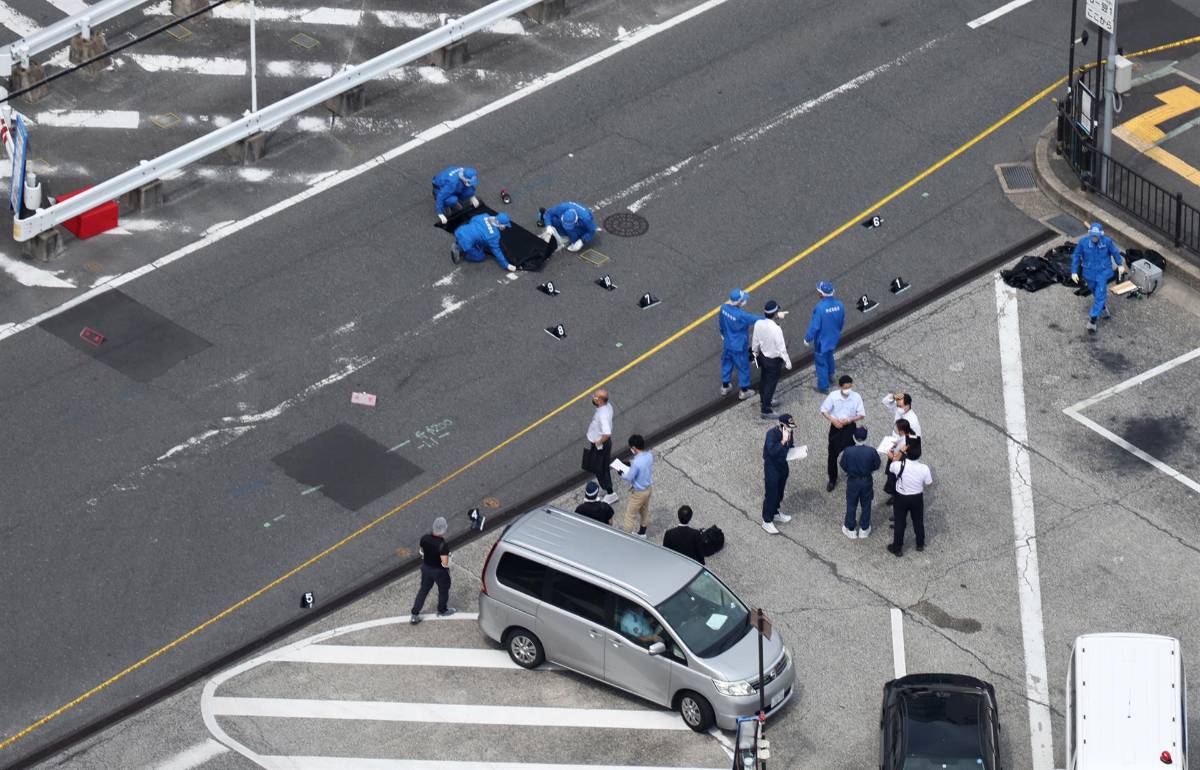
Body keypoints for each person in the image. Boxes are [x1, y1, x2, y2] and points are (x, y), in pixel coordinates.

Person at [1071, 222, 1127, 334]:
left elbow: (1115, 253)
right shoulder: (1083, 242)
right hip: (1089, 273)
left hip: (1102, 273)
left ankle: (1092, 321)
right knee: (1094, 291)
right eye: (1093, 235)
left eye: (1096, 236)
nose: (1094, 238)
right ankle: (1102, 308)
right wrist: (1074, 272)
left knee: (1100, 294)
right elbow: (1076, 256)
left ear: (1101, 234)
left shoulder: (1107, 242)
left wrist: (1120, 264)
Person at [821, 375, 865, 492]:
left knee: (851, 453)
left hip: (849, 427)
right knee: (832, 455)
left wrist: (849, 420)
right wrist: (833, 421)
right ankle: (832, 479)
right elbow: (824, 410)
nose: (848, 390)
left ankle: (852, 473)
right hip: (836, 428)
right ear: (840, 387)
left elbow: (861, 414)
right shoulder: (833, 396)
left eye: (850, 387)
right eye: (846, 388)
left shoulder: (856, 397)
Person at [719, 289, 765, 400]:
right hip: (739, 346)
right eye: (743, 300)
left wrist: (722, 334)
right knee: (743, 367)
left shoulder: (723, 308)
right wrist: (771, 318)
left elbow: (721, 324)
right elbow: (756, 319)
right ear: (739, 302)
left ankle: (725, 386)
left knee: (727, 363)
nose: (745, 301)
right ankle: (744, 391)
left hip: (727, 343)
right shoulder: (740, 315)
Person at [410, 516, 455, 624]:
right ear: (443, 529)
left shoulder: (424, 538)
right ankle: (442, 610)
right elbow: (445, 563)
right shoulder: (442, 544)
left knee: (423, 590)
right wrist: (450, 558)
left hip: (426, 568)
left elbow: (422, 551)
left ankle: (414, 613)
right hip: (439, 572)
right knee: (443, 590)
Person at [751, 300, 792, 420]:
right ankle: (766, 409)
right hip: (774, 361)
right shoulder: (776, 329)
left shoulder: (758, 323)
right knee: (771, 384)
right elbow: (781, 348)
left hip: (763, 357)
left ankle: (763, 399)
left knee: (764, 379)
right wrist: (788, 362)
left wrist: (755, 353)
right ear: (775, 314)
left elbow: (755, 341)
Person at [886, 455, 933, 557]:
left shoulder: (898, 465)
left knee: (899, 522)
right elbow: (929, 482)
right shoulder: (924, 468)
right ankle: (920, 544)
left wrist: (893, 458)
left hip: (901, 497)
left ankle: (897, 548)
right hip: (917, 498)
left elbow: (891, 468)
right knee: (918, 521)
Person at [839, 426, 881, 538]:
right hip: (866, 481)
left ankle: (851, 528)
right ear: (866, 438)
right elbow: (877, 465)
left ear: (854, 437)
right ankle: (864, 528)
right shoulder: (872, 451)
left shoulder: (848, 451)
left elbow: (843, 465)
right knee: (866, 505)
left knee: (851, 504)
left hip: (853, 481)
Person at [803, 281, 845, 392]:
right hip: (834, 338)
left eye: (818, 291)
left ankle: (823, 387)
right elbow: (841, 323)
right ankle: (831, 375)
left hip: (822, 342)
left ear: (821, 294)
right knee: (830, 356)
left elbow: (814, 326)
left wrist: (807, 338)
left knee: (821, 363)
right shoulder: (840, 305)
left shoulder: (820, 308)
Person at [761, 414, 796, 535]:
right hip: (772, 467)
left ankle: (775, 512)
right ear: (781, 425)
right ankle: (767, 520)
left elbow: (791, 446)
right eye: (788, 427)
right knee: (772, 493)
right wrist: (783, 441)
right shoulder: (771, 434)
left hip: (783, 465)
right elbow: (772, 451)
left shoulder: (789, 433)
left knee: (780, 491)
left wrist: (795, 451)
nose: (791, 429)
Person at [452, 213, 517, 271]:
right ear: (499, 223)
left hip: (460, 230)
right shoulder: (495, 235)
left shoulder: (485, 215)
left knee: (479, 241)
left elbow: (473, 219)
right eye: (505, 225)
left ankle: (460, 242)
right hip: (466, 242)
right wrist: (506, 265)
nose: (505, 227)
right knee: (480, 256)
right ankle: (461, 252)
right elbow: (497, 251)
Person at [584, 389, 618, 504]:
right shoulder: (607, 406)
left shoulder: (602, 415)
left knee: (601, 469)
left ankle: (610, 493)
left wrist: (599, 442)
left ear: (600, 401)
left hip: (601, 444)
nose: (593, 397)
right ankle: (606, 488)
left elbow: (607, 433)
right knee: (600, 467)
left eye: (595, 397)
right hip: (601, 443)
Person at [621, 434, 654, 537]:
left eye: (631, 447)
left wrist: (622, 474)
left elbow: (630, 477)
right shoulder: (649, 455)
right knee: (644, 511)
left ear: (634, 448)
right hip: (648, 489)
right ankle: (642, 533)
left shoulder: (636, 462)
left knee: (629, 516)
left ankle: (627, 537)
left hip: (639, 493)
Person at [884, 418, 920, 507]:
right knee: (893, 482)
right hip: (898, 458)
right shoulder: (910, 435)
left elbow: (897, 459)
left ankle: (897, 503)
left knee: (896, 484)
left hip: (901, 465)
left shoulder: (907, 443)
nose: (895, 429)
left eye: (896, 428)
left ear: (902, 431)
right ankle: (894, 496)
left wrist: (890, 455)